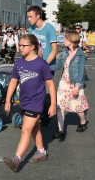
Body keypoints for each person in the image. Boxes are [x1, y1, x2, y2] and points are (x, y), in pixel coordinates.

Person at [3, 34, 56, 173]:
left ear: (32, 47)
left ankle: (16, 158)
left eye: (22, 45)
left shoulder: (41, 64)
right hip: (24, 100)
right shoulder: (19, 63)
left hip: (36, 101)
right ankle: (41, 151)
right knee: (34, 127)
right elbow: (13, 82)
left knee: (26, 129)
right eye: (19, 45)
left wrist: (53, 104)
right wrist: (8, 100)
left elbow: (50, 84)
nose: (19, 48)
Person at [50, 30, 89, 139]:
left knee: (77, 107)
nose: (64, 40)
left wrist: (77, 86)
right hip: (64, 83)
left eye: (66, 38)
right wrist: (44, 67)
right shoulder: (65, 52)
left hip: (75, 83)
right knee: (59, 107)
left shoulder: (80, 54)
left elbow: (81, 71)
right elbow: (58, 66)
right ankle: (61, 130)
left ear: (72, 40)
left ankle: (83, 121)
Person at [27, 6, 58, 129]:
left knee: (44, 93)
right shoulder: (32, 29)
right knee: (34, 91)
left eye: (30, 16)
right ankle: (32, 116)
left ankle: (46, 117)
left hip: (47, 66)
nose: (28, 19)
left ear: (38, 16)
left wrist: (44, 64)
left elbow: (54, 50)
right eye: (28, 16)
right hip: (35, 65)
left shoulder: (49, 28)